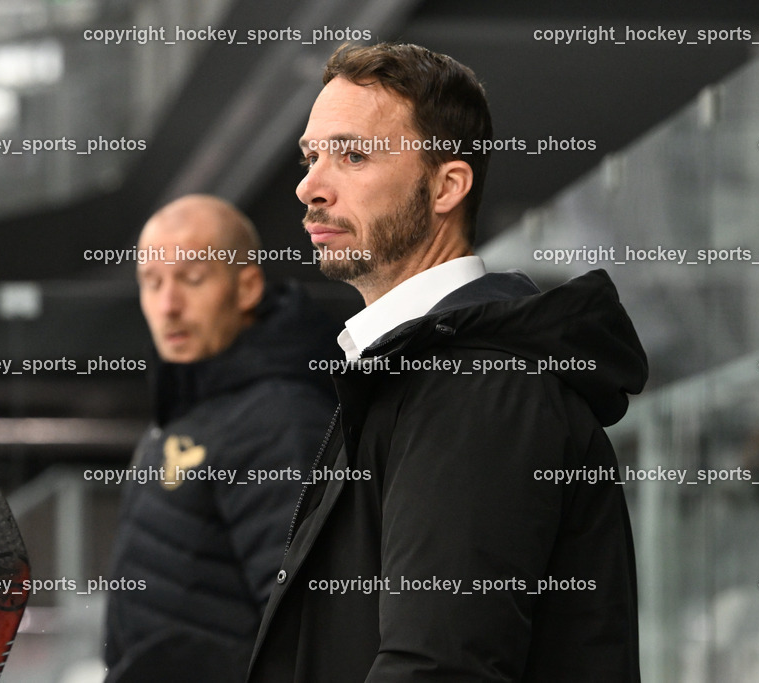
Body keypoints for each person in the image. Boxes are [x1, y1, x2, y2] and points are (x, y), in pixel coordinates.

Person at [247, 43, 647, 681]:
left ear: (446, 186)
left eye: (352, 155)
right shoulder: (419, 373)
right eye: (311, 155)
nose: (309, 187)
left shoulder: (476, 388)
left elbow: (440, 666)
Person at [103, 195, 337, 681]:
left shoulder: (281, 418)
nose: (168, 306)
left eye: (191, 279)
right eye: (152, 283)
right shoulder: (190, 396)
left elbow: (306, 635)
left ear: (247, 286)